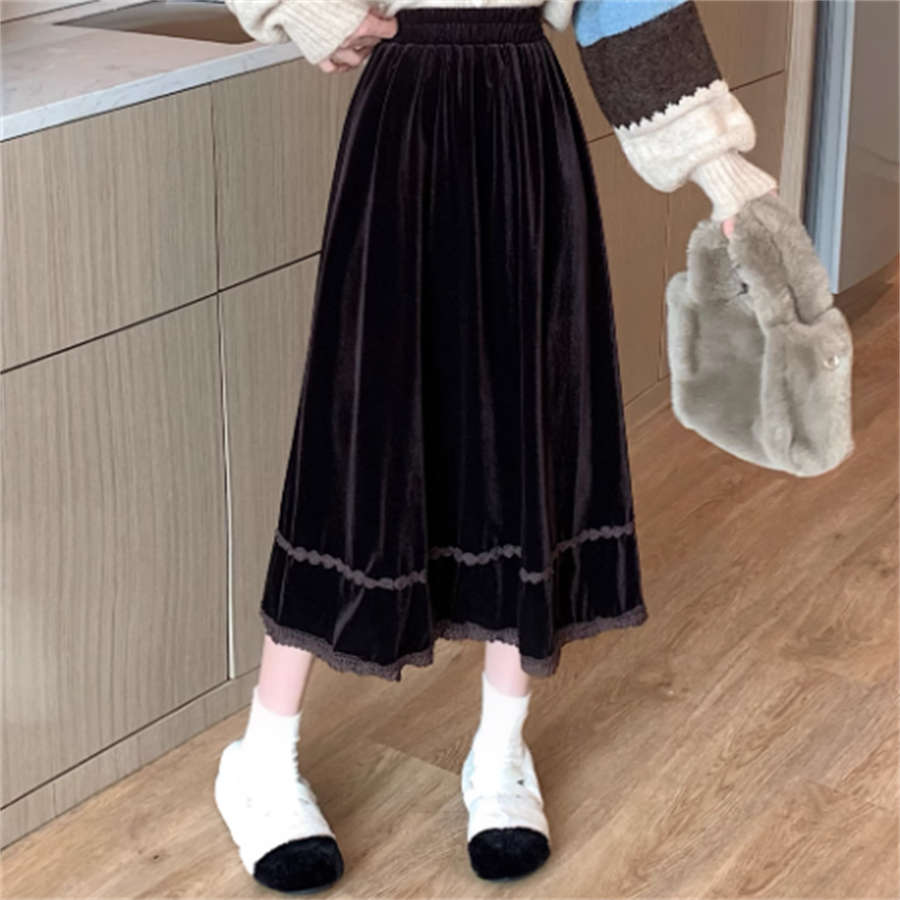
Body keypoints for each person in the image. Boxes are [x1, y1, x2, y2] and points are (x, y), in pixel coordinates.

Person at [214, 1, 779, 894]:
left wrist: (721, 167)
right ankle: (262, 756)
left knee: (531, 426)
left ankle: (500, 749)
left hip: (525, 118)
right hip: (405, 119)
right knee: (363, 434)